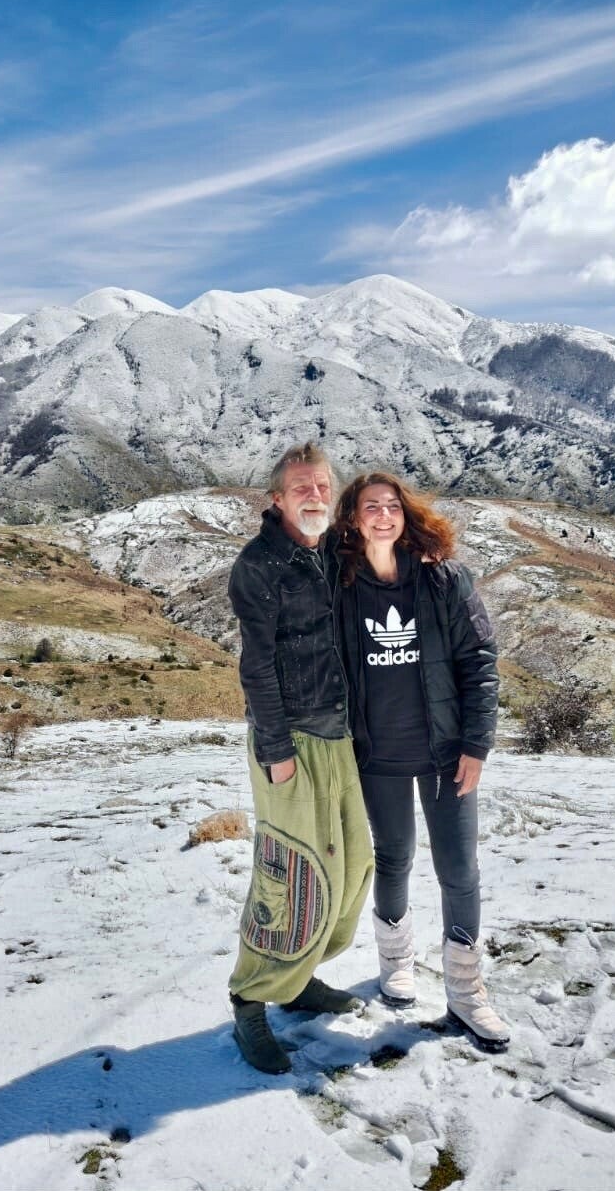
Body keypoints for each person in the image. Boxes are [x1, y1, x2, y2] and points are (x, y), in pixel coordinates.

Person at [333, 471, 510, 1050]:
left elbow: (479, 662)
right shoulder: (340, 584)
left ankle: (465, 990)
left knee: (459, 869)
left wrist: (476, 744)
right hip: (375, 752)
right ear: (353, 519)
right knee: (394, 857)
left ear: (405, 515)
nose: (383, 515)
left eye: (392, 506)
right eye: (370, 507)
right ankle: (396, 964)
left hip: (444, 751)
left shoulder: (444, 580)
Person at [225, 442, 375, 1075]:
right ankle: (251, 1000)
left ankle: (300, 977)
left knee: (352, 868)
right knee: (292, 878)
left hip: (343, 738)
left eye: (322, 486)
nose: (314, 495)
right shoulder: (259, 566)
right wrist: (277, 749)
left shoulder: (336, 555)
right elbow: (256, 665)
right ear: (277, 499)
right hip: (291, 744)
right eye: (301, 488)